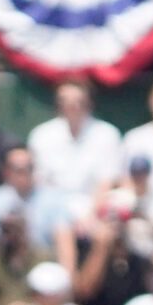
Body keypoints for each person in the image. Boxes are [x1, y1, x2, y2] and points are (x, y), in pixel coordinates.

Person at [28, 79, 124, 226]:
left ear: (89, 103)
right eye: (65, 101)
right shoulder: (41, 135)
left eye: (78, 101)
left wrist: (90, 216)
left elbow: (106, 182)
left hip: (94, 208)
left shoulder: (107, 134)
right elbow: (38, 183)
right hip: (50, 208)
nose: (71, 107)